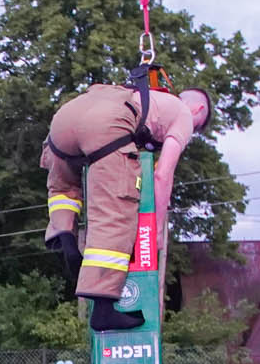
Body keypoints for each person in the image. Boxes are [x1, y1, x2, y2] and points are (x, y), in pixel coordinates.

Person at [40, 74, 210, 330]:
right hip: (105, 125)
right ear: (198, 109)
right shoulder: (184, 115)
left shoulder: (146, 97)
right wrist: (156, 230)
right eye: (198, 128)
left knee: (63, 187)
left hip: (65, 119)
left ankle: (65, 237)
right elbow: (162, 175)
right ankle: (103, 310)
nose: (192, 132)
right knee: (115, 211)